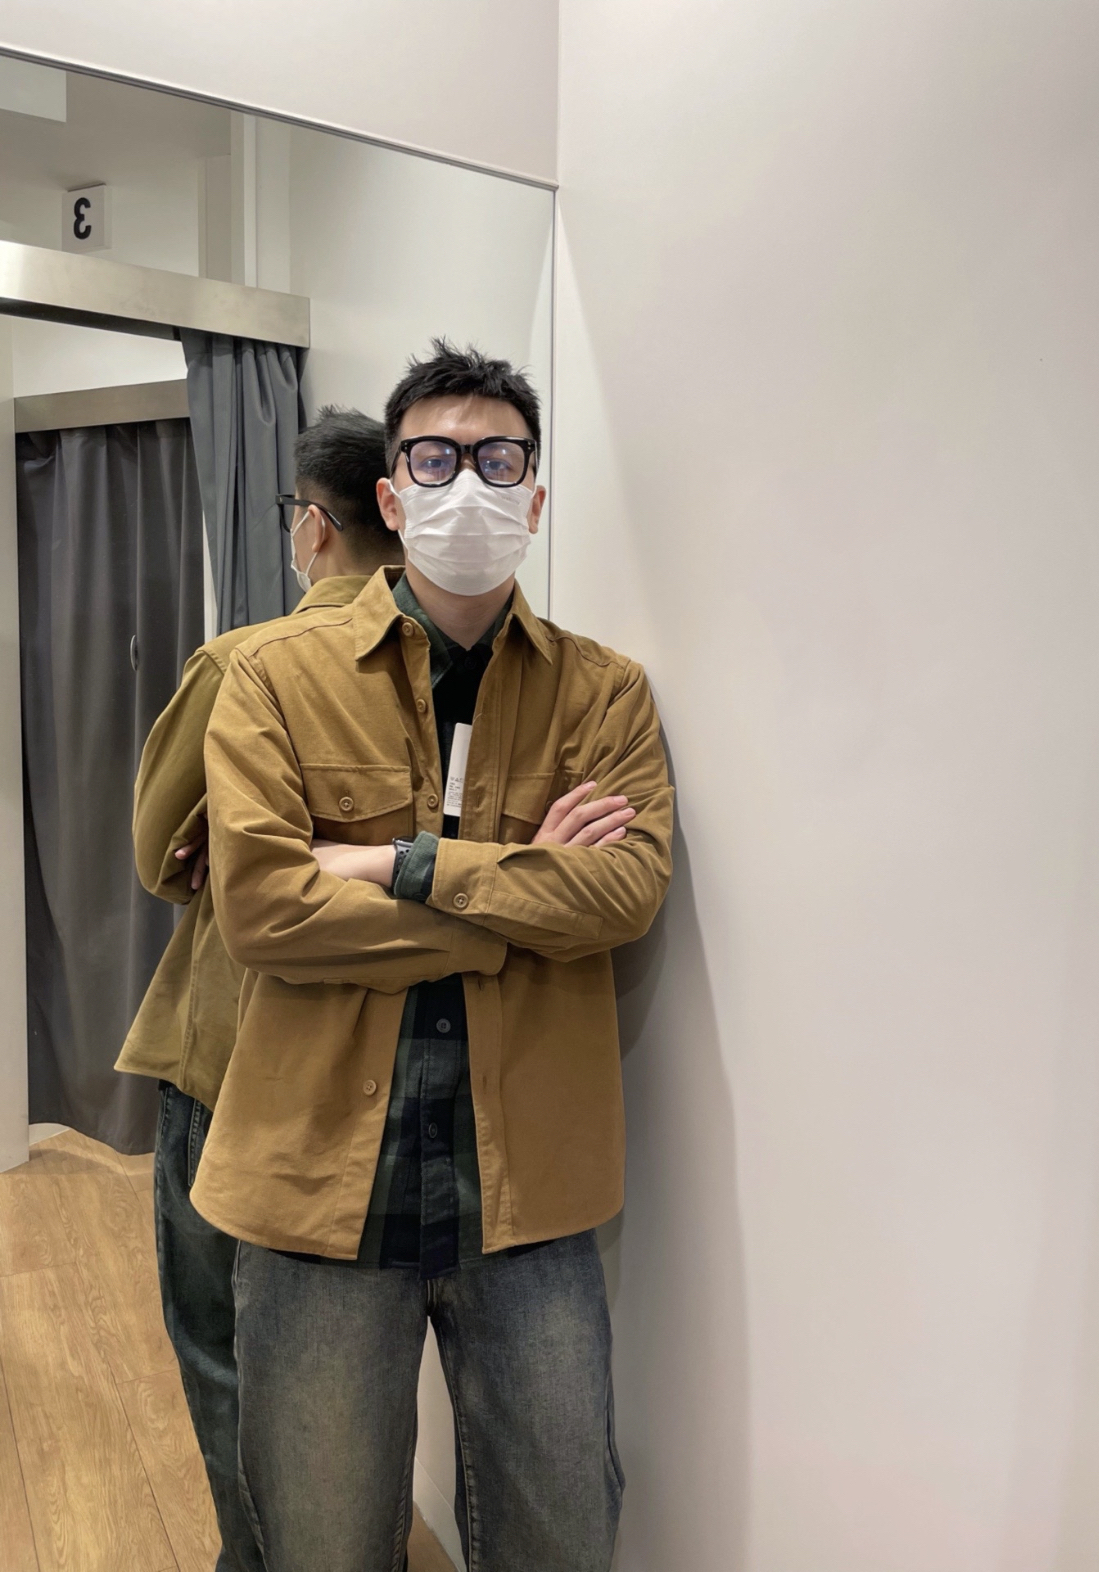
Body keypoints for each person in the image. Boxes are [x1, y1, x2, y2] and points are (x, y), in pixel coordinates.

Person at [192, 339, 674, 1572]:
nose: (468, 484)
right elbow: (264, 912)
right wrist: (521, 897)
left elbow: (621, 894)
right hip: (316, 1184)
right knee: (323, 1545)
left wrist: (396, 863)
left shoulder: (605, 696)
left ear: (536, 498)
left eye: (498, 460)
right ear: (391, 497)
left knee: (563, 1537)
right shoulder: (270, 679)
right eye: (435, 460)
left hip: (529, 1194)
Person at [116, 407, 401, 1572]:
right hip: (398, 1062)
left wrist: (236, 853)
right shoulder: (457, 665)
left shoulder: (244, 661)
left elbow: (157, 854)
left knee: (226, 1341)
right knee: (359, 1365)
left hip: (233, 1051)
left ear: (313, 526)